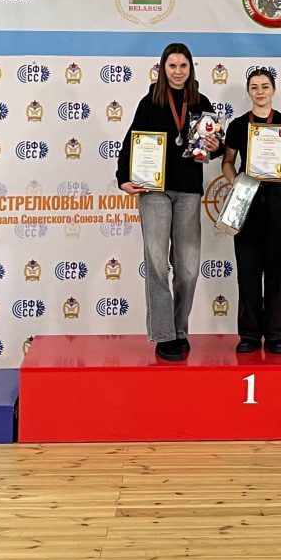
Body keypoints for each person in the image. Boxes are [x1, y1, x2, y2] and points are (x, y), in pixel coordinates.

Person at [116, 43, 222, 361]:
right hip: (154, 191)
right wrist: (123, 177)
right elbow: (131, 141)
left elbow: (214, 145)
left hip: (188, 191)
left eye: (183, 66)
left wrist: (216, 146)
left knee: (188, 268)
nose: (178, 71)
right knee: (157, 264)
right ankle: (164, 335)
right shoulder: (150, 101)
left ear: (191, 68)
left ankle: (179, 329)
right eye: (172, 66)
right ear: (163, 68)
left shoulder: (201, 102)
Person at [221, 69, 281, 355]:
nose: (260, 92)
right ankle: (249, 334)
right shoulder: (237, 125)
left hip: (278, 198)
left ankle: (276, 335)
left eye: (265, 86)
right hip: (246, 198)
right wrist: (236, 182)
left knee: (276, 268)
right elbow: (227, 162)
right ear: (248, 91)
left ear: (273, 90)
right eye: (254, 87)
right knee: (248, 268)